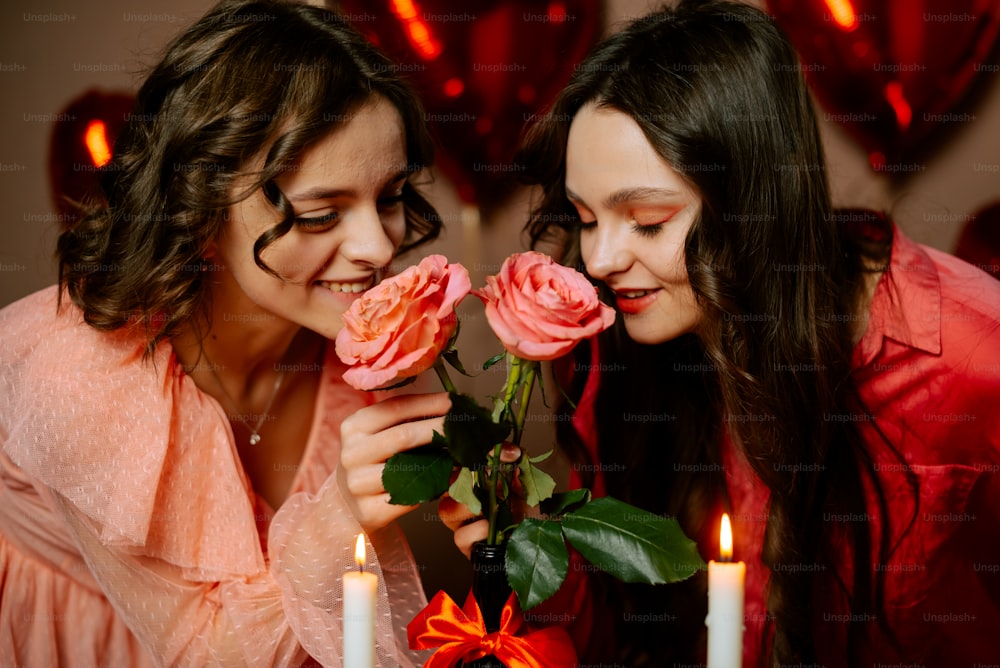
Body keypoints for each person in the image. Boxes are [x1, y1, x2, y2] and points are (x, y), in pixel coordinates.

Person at [443, 1, 1000, 666]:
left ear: (755, 198)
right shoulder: (613, 348)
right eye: (586, 218)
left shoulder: (975, 356)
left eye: (647, 220)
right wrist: (523, 539)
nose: (598, 261)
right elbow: (616, 639)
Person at [0, 1, 452, 665]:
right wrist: (338, 516)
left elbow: (348, 628)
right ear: (201, 215)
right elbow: (206, 654)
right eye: (322, 213)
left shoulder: (349, 350)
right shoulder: (78, 378)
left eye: (388, 196)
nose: (378, 244)